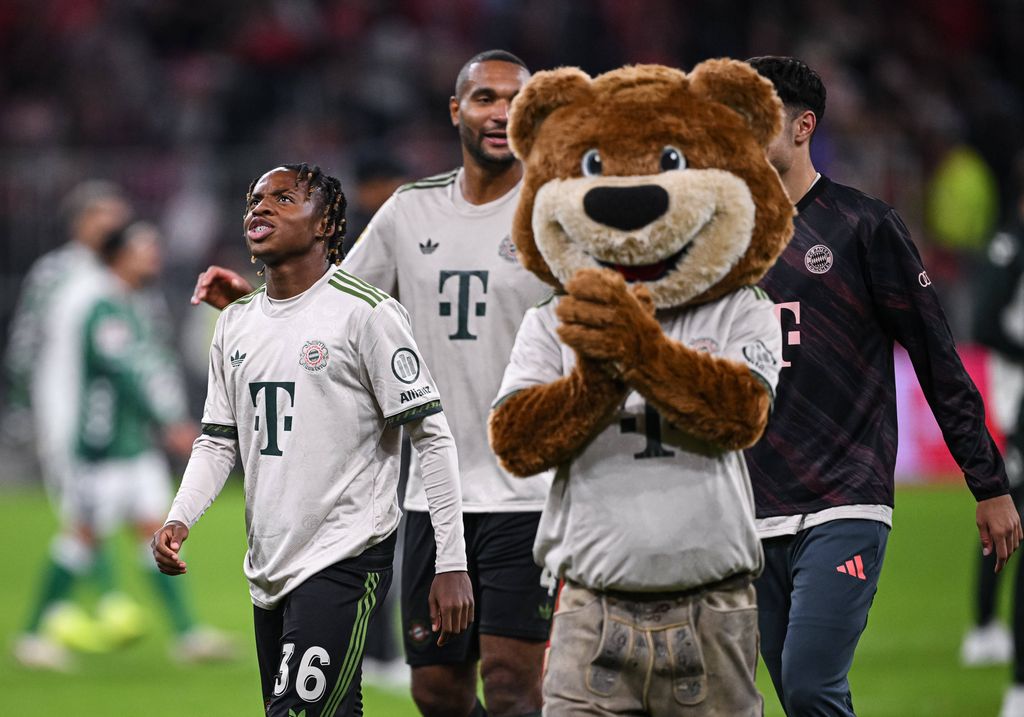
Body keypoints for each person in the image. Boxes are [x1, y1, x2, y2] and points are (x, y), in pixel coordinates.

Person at [191, 51, 554, 717]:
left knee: (510, 686)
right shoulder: (409, 214)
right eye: (483, 98)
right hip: (428, 495)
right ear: (457, 111)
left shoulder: (554, 215)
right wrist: (253, 304)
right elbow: (332, 302)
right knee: (436, 692)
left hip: (528, 491)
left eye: (515, 99)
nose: (500, 112)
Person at [744, 55, 1023, 716]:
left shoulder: (863, 226)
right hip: (752, 507)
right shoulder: (728, 243)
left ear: (804, 125)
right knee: (794, 695)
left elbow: (937, 359)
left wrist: (988, 483)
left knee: (812, 683)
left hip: (846, 497)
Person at [154, 163, 473, 717]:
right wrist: (180, 517)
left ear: (325, 223)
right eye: (255, 199)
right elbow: (217, 440)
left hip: (346, 556)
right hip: (268, 564)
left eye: (283, 198)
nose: (261, 207)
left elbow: (433, 436)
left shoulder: (367, 313)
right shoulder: (235, 322)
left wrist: (451, 562)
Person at [8, 181, 133, 670]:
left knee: (88, 520)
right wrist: (22, 413)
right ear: (82, 221)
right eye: (108, 216)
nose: (117, 225)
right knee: (84, 520)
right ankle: (73, 616)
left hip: (105, 424)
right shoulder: (56, 273)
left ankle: (61, 619)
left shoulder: (117, 273)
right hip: (62, 417)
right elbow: (24, 343)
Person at [968, 157, 1024, 716]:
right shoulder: (1012, 242)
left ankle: (985, 628)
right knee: (1010, 511)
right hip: (1019, 402)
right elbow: (983, 323)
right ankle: (991, 636)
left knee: (1009, 510)